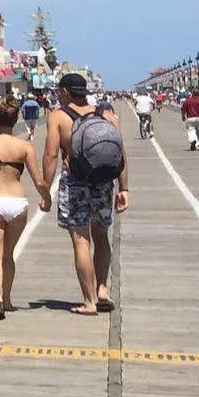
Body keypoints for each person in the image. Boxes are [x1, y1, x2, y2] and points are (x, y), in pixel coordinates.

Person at [45, 71, 130, 316]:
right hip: (104, 182)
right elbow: (120, 155)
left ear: (64, 92)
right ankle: (103, 288)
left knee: (81, 240)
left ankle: (89, 301)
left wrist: (44, 190)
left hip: (75, 183)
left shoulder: (59, 117)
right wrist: (124, 188)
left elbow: (50, 156)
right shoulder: (107, 115)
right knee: (102, 236)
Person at [178, 86, 199, 151]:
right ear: (198, 93)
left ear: (192, 93)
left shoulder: (187, 101)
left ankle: (193, 140)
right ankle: (198, 144)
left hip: (190, 118)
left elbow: (183, 110)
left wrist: (183, 117)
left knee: (190, 130)